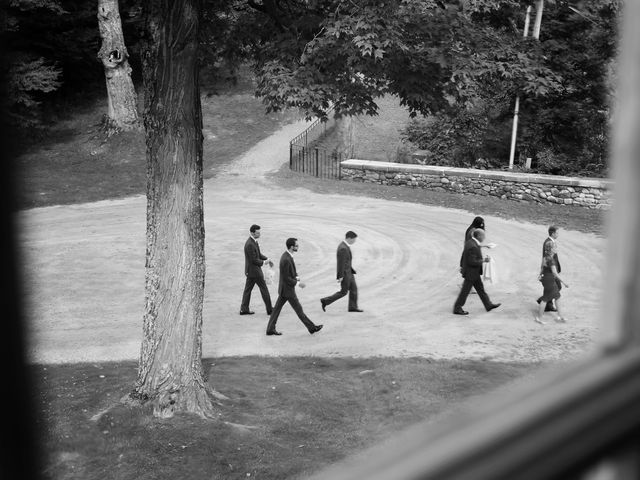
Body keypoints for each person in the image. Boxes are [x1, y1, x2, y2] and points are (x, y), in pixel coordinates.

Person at [266, 238, 323, 336]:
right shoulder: (286, 259)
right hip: (288, 290)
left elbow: (292, 272)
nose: (298, 247)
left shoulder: (288, 256)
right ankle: (312, 328)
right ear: (291, 247)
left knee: (276, 310)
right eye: (296, 245)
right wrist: (298, 283)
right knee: (299, 309)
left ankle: (270, 329)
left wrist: (297, 278)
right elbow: (286, 278)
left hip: (284, 290)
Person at [453, 229, 501, 315]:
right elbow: (472, 261)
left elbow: (475, 247)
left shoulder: (470, 242)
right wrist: (484, 260)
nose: (484, 237)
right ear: (478, 236)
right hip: (471, 273)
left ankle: (488, 304)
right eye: (483, 236)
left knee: (480, 289)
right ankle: (457, 308)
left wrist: (485, 246)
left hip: (473, 273)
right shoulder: (473, 246)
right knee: (465, 291)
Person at [320, 230, 363, 313]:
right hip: (345, 274)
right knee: (343, 292)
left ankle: (352, 307)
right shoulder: (343, 248)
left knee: (354, 289)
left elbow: (346, 262)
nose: (355, 241)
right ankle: (325, 301)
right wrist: (340, 276)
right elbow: (341, 264)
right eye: (354, 239)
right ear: (349, 238)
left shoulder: (345, 246)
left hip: (349, 273)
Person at [535, 226, 569, 324]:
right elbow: (554, 273)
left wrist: (540, 275)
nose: (556, 248)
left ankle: (560, 316)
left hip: (546, 279)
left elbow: (542, 267)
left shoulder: (546, 257)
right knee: (546, 299)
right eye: (555, 247)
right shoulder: (551, 260)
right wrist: (564, 282)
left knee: (557, 297)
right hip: (550, 280)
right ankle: (539, 318)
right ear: (551, 249)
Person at [240, 224, 273, 315]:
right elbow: (254, 260)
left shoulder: (254, 241)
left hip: (251, 271)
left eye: (259, 232)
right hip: (254, 271)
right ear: (252, 233)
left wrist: (267, 259)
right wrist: (264, 263)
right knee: (264, 289)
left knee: (247, 290)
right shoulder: (250, 244)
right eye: (258, 233)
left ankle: (244, 309)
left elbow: (258, 254)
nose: (259, 234)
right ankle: (270, 310)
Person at [536, 225, 562, 312]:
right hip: (550, 270)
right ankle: (544, 300)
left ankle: (547, 303)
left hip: (551, 269)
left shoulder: (549, 241)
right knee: (558, 286)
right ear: (553, 233)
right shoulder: (549, 243)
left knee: (551, 288)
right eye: (557, 233)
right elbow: (545, 257)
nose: (558, 234)